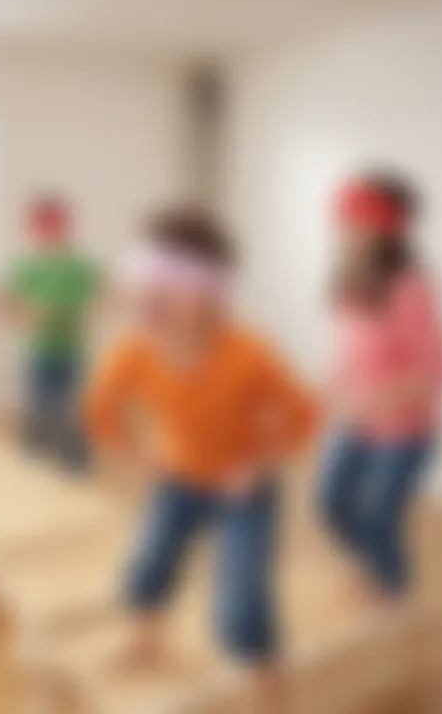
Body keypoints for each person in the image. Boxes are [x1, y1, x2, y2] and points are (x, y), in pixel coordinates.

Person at [84, 208, 317, 712]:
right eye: (142, 281)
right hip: (179, 480)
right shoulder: (133, 350)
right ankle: (145, 640)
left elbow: (304, 415)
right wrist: (138, 454)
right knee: (147, 565)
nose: (149, 295)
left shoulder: (251, 354)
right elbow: (100, 409)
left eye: (170, 284)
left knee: (240, 606)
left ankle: (271, 686)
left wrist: (260, 463)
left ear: (215, 294)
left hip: (243, 491)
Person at [319, 172, 442, 610]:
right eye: (342, 221)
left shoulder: (411, 287)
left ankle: (395, 596)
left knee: (379, 517)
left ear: (384, 229)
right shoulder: (350, 280)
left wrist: (379, 399)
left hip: (405, 433)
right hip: (356, 424)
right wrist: (333, 383)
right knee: (331, 503)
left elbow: (439, 368)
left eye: (354, 221)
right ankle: (369, 567)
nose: (343, 230)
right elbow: (353, 351)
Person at [2, 195, 99, 471]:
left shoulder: (80, 265)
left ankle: (76, 466)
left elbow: (95, 301)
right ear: (32, 229)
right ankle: (34, 464)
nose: (49, 232)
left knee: (74, 410)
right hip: (37, 350)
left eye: (55, 224)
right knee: (38, 408)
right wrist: (32, 315)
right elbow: (8, 306)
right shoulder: (25, 266)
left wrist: (73, 313)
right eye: (42, 225)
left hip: (72, 350)